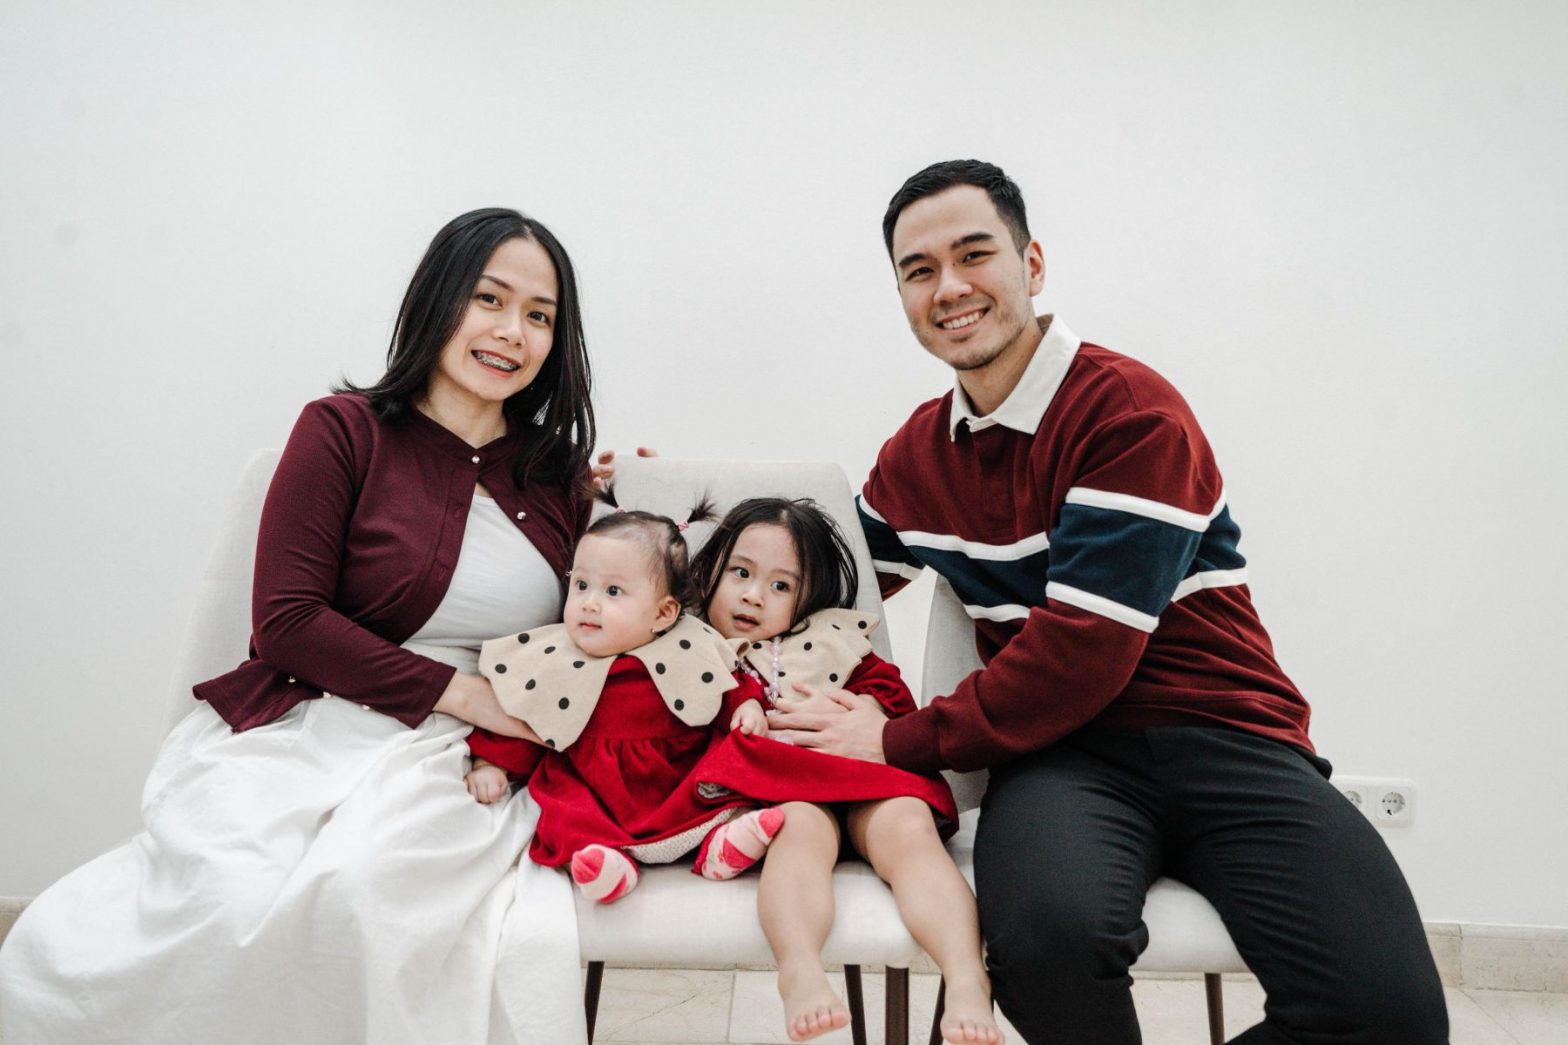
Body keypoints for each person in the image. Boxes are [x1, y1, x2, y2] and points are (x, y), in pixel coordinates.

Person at [764, 161, 1450, 1044]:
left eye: (974, 254)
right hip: (1064, 759)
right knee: (1042, 945)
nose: (950, 287)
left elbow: (1079, 654)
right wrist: (661, 527)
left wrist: (897, 737)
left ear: (1032, 263)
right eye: (919, 269)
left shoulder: (1128, 414)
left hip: (1228, 737)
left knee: (1389, 1015)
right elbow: (820, 575)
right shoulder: (921, 454)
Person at [0, 208, 600, 1044]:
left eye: (539, 315)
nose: (512, 331)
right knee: (229, 899)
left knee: (361, 893)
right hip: (316, 721)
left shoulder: (557, 472)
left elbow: (616, 616)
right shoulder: (343, 429)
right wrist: (462, 693)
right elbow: (287, 622)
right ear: (439, 299)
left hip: (470, 763)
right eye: (489, 299)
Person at [689, 498, 999, 1045]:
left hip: (863, 779)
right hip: (783, 795)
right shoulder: (691, 649)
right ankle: (800, 969)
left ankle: (966, 976)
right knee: (798, 830)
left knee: (909, 824)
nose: (754, 595)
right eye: (740, 573)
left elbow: (889, 695)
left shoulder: (833, 639)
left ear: (811, 597)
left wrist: (870, 708)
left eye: (781, 586)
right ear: (710, 569)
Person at [465, 502, 788, 902]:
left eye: (612, 591)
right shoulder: (555, 655)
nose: (589, 603)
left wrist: (747, 706)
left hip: (674, 774)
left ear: (663, 614)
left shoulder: (688, 643)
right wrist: (491, 762)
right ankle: (606, 862)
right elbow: (527, 714)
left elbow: (724, 683)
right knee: (563, 810)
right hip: (589, 781)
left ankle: (722, 844)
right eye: (581, 585)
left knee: (726, 781)